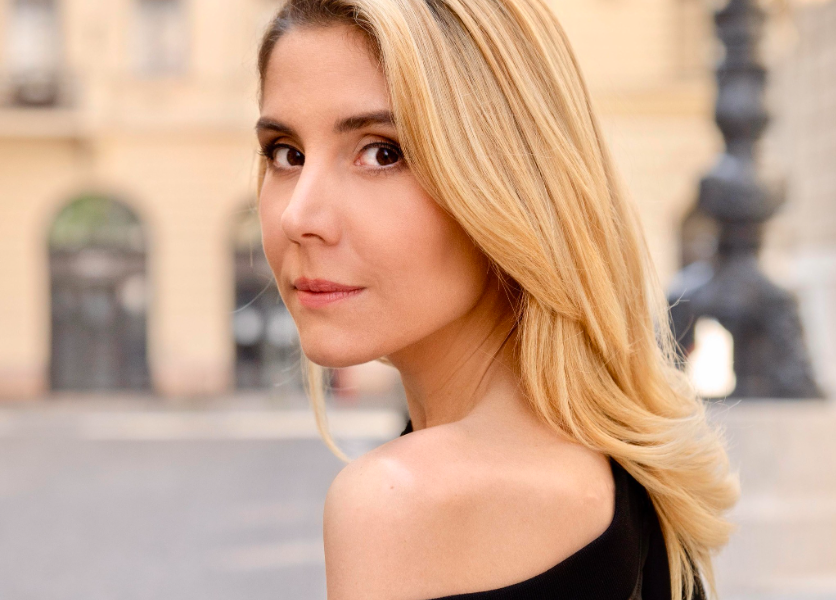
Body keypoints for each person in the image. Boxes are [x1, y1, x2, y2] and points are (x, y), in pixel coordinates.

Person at [253, 0, 740, 598]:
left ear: (508, 181)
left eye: (383, 152)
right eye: (286, 153)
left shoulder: (398, 500)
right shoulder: (622, 462)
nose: (300, 216)